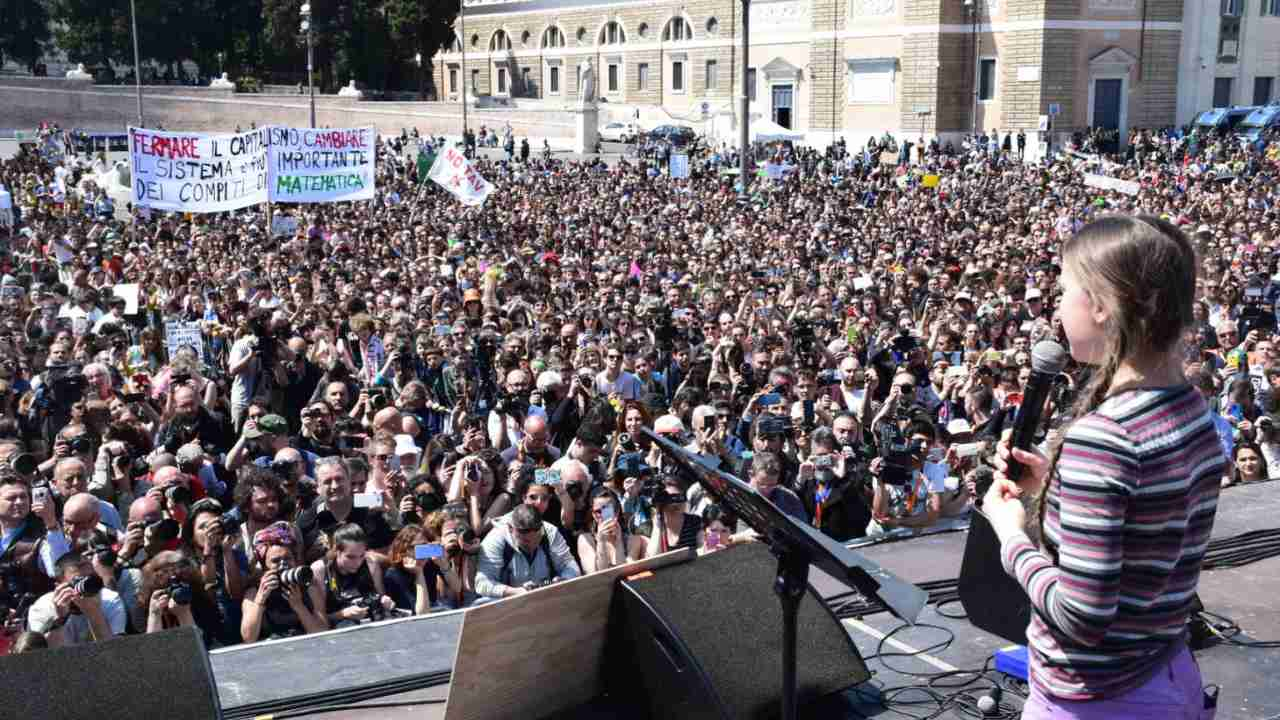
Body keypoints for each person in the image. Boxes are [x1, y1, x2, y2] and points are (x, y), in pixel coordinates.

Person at [982, 215, 1222, 717]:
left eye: (1064, 290)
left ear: (1101, 307)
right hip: (1163, 672)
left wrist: (1011, 536)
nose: (1055, 305)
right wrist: (1053, 482)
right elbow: (1149, 529)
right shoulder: (1190, 405)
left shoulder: (1105, 436)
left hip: (1098, 698)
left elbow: (1083, 615)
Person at [474, 504, 580, 599]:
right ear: (511, 528)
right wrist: (516, 592)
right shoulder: (495, 540)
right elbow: (482, 583)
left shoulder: (550, 532)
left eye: (537, 538)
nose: (533, 545)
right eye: (526, 541)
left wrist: (564, 580)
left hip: (548, 596)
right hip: (508, 600)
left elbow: (571, 567)